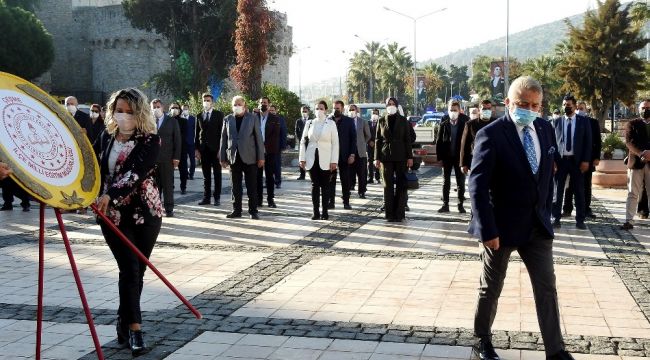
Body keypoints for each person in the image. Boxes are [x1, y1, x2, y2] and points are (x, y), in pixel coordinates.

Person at [469, 76, 574, 360]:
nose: (529, 109)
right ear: (508, 103)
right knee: (491, 287)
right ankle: (482, 341)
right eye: (522, 104)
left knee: (546, 288)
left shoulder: (544, 128)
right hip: (500, 228)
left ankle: (556, 351)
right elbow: (477, 186)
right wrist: (486, 229)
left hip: (537, 226)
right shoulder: (490, 134)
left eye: (535, 105)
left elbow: (546, 170)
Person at [95, 88, 163, 356]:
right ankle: (135, 331)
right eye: (118, 110)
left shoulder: (150, 141)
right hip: (112, 214)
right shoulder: (106, 137)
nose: (122, 116)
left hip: (145, 213)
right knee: (130, 269)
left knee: (137, 272)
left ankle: (124, 322)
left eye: (129, 111)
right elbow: (93, 168)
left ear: (139, 112)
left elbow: (136, 172)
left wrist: (112, 193)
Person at [220, 96, 265, 219]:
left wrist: (261, 157)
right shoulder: (227, 119)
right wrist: (222, 157)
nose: (237, 106)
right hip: (234, 157)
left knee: (251, 185)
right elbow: (223, 139)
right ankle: (236, 210)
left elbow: (258, 139)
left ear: (244, 106)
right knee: (235, 186)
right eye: (235, 104)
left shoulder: (253, 118)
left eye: (239, 104)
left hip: (250, 157)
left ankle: (253, 210)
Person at [552, 94, 592, 230]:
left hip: (577, 162)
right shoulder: (556, 122)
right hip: (561, 161)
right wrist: (553, 161)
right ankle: (555, 218)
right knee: (558, 191)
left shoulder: (583, 121)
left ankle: (580, 220)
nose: (566, 107)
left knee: (579, 191)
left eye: (568, 105)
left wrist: (586, 160)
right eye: (564, 105)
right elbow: (552, 143)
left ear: (574, 106)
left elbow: (588, 142)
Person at [375, 97, 413, 222]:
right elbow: (377, 140)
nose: (391, 106)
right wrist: (376, 158)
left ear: (397, 106)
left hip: (401, 155)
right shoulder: (381, 120)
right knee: (388, 186)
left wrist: (410, 157)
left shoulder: (403, 121)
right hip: (386, 157)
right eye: (388, 104)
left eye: (393, 104)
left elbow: (408, 139)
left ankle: (399, 213)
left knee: (401, 185)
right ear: (385, 106)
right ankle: (389, 214)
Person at [299, 100, 339, 220]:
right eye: (317, 108)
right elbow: (302, 141)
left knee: (325, 186)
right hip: (312, 157)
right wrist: (302, 158)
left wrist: (334, 160)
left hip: (326, 158)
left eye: (321, 108)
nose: (319, 111)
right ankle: (315, 212)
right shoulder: (310, 123)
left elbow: (335, 143)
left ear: (326, 110)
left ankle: (325, 211)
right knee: (314, 185)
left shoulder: (331, 123)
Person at [562, 100, 601, 218]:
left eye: (582, 108)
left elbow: (596, 141)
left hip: (587, 159)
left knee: (586, 185)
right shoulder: (568, 121)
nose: (579, 110)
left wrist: (596, 157)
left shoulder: (592, 122)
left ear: (586, 110)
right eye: (577, 107)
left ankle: (586, 208)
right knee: (570, 185)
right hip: (572, 159)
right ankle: (567, 208)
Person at [621, 99, 650, 230]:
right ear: (639, 110)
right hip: (636, 163)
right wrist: (641, 153)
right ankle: (629, 220)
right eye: (643, 108)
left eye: (648, 107)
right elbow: (629, 142)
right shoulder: (632, 124)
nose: (645, 110)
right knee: (632, 193)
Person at [436, 99, 469, 213]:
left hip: (460, 158)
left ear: (460, 110)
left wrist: (466, 160)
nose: (453, 112)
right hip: (447, 157)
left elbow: (469, 141)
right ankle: (445, 205)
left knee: (461, 181)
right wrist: (439, 158)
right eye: (451, 110)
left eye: (455, 110)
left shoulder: (465, 121)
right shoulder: (444, 120)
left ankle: (460, 205)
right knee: (446, 182)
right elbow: (439, 140)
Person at [151, 99, 181, 217]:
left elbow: (177, 140)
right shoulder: (149, 121)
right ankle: (156, 207)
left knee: (168, 184)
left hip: (167, 159)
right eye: (154, 107)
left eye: (158, 106)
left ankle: (169, 208)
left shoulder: (172, 121)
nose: (156, 109)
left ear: (163, 107)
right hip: (152, 160)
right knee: (154, 186)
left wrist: (176, 158)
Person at [195, 93, 224, 206]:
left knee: (217, 174)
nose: (206, 102)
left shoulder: (218, 115)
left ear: (212, 102)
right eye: (204, 100)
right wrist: (196, 149)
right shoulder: (199, 115)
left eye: (208, 100)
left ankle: (217, 197)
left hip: (215, 149)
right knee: (206, 176)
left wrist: (221, 149)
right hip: (204, 150)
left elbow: (222, 133)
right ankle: (206, 198)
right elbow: (196, 134)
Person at [328, 100, 357, 210]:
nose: (336, 110)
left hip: (345, 156)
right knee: (331, 180)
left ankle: (346, 201)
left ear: (342, 109)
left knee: (345, 180)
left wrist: (352, 154)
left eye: (338, 108)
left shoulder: (348, 121)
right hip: (331, 156)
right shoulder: (328, 120)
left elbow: (353, 139)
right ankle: (331, 202)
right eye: (334, 108)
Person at [257, 97, 281, 208]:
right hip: (256, 151)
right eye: (261, 103)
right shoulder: (254, 117)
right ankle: (259, 199)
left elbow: (275, 136)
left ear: (269, 104)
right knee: (257, 177)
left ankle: (270, 199)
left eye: (265, 103)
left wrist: (264, 147)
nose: (263, 104)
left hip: (270, 151)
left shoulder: (274, 118)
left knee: (269, 176)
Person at [461, 99, 495, 175]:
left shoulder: (496, 123)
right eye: (484, 109)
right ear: (479, 110)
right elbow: (464, 144)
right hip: (476, 161)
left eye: (489, 108)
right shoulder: (470, 124)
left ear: (491, 110)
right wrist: (463, 164)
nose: (487, 110)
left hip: (493, 162)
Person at [349, 104, 371, 198]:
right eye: (350, 110)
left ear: (357, 111)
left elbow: (368, 135)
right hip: (349, 151)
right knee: (349, 172)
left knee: (362, 173)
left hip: (361, 151)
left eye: (353, 109)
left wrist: (362, 142)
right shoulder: (346, 121)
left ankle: (362, 191)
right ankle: (349, 189)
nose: (351, 111)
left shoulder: (363, 122)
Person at [169, 103, 189, 195]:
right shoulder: (167, 120)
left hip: (182, 149)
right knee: (170, 170)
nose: (174, 109)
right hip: (169, 149)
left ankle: (183, 187)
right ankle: (171, 186)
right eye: (173, 108)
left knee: (183, 170)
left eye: (176, 108)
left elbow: (185, 135)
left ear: (179, 110)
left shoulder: (184, 121)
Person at [269, 104, 287, 189]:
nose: (271, 112)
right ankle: (269, 181)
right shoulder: (266, 119)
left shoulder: (280, 119)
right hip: (267, 146)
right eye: (270, 110)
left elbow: (283, 132)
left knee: (276, 165)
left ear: (276, 111)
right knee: (268, 166)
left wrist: (283, 145)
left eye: (273, 110)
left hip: (277, 146)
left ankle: (278, 181)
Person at [181, 104, 196, 180]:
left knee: (193, 161)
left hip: (191, 143)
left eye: (186, 109)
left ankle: (191, 174)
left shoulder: (193, 119)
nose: (185, 110)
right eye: (183, 109)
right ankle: (186, 174)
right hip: (183, 143)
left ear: (189, 109)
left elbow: (195, 131)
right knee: (184, 161)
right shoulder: (180, 119)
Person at [295, 106, 309, 180]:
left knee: (310, 159)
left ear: (308, 112)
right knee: (301, 159)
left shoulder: (311, 120)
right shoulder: (298, 121)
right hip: (302, 143)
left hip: (310, 143)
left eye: (305, 111)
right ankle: (302, 175)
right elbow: (296, 131)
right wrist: (300, 140)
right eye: (303, 111)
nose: (304, 113)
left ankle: (311, 174)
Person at [367, 109, 381, 184]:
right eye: (373, 113)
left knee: (377, 161)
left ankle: (377, 177)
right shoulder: (367, 123)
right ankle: (370, 178)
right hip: (369, 145)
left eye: (376, 113)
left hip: (378, 146)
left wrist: (376, 143)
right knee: (370, 162)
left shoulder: (380, 122)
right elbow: (365, 133)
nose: (374, 115)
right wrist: (369, 141)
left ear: (378, 114)